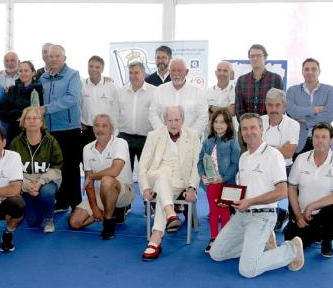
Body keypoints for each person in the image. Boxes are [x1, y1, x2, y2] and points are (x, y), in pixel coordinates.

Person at [209, 113, 304, 277]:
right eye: (244, 128)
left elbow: (282, 192)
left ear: (261, 130)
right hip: (241, 215)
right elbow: (242, 191)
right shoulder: (244, 158)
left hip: (263, 216)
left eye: (253, 127)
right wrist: (230, 201)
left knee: (247, 270)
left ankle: (292, 249)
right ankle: (262, 244)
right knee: (216, 254)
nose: (248, 132)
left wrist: (251, 202)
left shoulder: (273, 155)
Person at [139, 106, 201, 260]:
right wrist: (145, 188)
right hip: (156, 175)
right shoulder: (153, 135)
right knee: (162, 177)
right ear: (164, 121)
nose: (173, 124)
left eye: (177, 120)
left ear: (183, 120)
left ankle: (158, 235)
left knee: (162, 192)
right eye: (170, 120)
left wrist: (192, 187)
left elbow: (197, 165)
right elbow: (143, 165)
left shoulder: (193, 136)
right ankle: (168, 216)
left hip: (179, 182)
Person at [284, 122, 333, 257]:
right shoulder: (301, 158)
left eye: (324, 137)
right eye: (316, 137)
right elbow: (292, 188)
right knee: (292, 242)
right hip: (303, 214)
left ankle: (327, 240)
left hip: (325, 214)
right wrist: (298, 216)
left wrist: (312, 206)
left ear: (331, 141)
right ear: (312, 139)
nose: (320, 141)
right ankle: (313, 233)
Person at [69, 114, 135, 240]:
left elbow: (115, 171)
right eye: (97, 125)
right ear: (93, 128)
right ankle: (109, 210)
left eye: (104, 126)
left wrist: (92, 176)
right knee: (75, 223)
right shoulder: (87, 148)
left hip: (124, 191)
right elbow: (89, 184)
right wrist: (94, 208)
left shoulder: (121, 143)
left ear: (111, 129)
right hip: (101, 192)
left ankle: (108, 222)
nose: (100, 129)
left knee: (107, 180)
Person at [39, 44, 83, 212]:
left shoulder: (73, 75)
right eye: (51, 56)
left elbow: (72, 98)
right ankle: (62, 202)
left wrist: (46, 109)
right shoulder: (43, 77)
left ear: (64, 58)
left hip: (69, 129)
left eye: (57, 56)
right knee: (56, 168)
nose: (54, 59)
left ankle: (77, 203)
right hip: (49, 131)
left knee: (71, 168)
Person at [9, 107, 63, 233]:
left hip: (46, 180)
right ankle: (39, 202)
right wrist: (28, 186)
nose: (32, 121)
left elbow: (56, 167)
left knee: (47, 193)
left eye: (35, 118)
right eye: (28, 118)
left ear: (41, 122)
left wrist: (40, 183)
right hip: (25, 182)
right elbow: (12, 170)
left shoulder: (51, 141)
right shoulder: (15, 142)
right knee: (33, 222)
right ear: (23, 122)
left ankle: (49, 217)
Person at [197, 108, 240, 252]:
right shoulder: (207, 142)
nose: (219, 125)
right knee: (214, 211)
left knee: (225, 212)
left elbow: (235, 164)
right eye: (216, 121)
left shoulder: (233, 143)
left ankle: (226, 240)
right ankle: (214, 237)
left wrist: (223, 177)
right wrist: (203, 175)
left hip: (227, 184)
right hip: (212, 184)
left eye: (222, 122)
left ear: (228, 124)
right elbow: (200, 162)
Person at [261, 88, 300, 231]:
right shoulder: (259, 121)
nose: (273, 109)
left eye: (277, 105)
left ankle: (292, 218)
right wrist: (279, 149)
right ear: (266, 106)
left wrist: (266, 148)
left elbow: (289, 152)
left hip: (286, 168)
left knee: (294, 189)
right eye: (270, 105)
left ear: (284, 106)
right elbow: (253, 148)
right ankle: (279, 214)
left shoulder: (293, 124)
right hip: (263, 166)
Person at [286, 58, 333, 157]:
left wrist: (306, 121)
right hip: (299, 143)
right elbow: (291, 111)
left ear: (319, 71)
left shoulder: (330, 91)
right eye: (307, 69)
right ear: (302, 72)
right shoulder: (292, 90)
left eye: (313, 69)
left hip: (323, 141)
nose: (310, 72)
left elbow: (330, 116)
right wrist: (315, 109)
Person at [149, 58, 208, 134]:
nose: (176, 74)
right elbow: (153, 114)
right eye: (173, 70)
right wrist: (164, 133)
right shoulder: (159, 90)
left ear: (186, 72)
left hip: (190, 140)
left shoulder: (198, 91)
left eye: (179, 70)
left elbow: (203, 117)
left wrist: (189, 135)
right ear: (169, 72)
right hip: (164, 138)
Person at [117, 62, 155, 173]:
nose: (133, 76)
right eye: (130, 73)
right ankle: (126, 191)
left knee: (147, 173)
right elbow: (115, 113)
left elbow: (159, 114)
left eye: (136, 73)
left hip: (146, 138)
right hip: (124, 137)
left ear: (143, 73)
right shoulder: (121, 92)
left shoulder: (154, 91)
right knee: (124, 173)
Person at [235, 44, 283, 121]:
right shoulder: (241, 80)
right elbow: (239, 108)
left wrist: (267, 124)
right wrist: (248, 124)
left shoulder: (276, 79)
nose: (255, 58)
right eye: (252, 56)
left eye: (259, 55)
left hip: (269, 126)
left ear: (265, 57)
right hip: (248, 128)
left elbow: (278, 106)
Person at [0, 61, 44, 144]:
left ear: (33, 73)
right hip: (14, 132)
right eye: (20, 71)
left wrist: (16, 113)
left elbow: (39, 112)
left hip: (33, 132)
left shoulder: (39, 90)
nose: (23, 73)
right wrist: (23, 113)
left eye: (26, 70)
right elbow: (3, 114)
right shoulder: (12, 90)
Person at [80, 55, 119, 146]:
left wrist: (115, 132)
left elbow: (116, 110)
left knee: (106, 159)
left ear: (102, 69)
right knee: (87, 158)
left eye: (97, 67)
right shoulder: (81, 85)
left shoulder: (111, 86)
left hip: (106, 130)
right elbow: (77, 106)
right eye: (91, 66)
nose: (93, 69)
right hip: (87, 131)